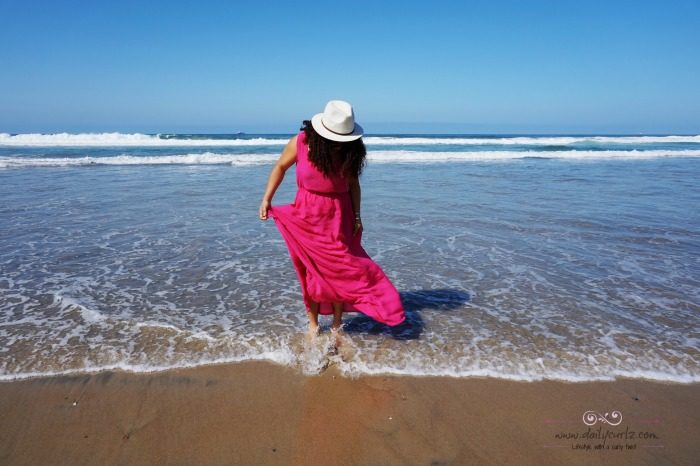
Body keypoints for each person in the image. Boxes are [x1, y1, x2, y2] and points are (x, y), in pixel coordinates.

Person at [259, 100, 406, 338]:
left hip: (339, 214)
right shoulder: (301, 143)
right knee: (309, 271)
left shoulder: (351, 149)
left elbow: (353, 185)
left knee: (341, 271)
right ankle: (313, 325)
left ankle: (337, 324)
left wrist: (357, 215)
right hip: (306, 214)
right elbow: (280, 167)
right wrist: (266, 199)